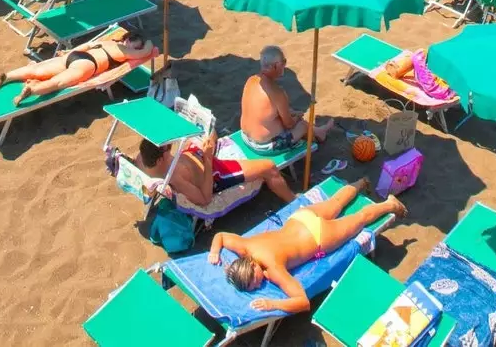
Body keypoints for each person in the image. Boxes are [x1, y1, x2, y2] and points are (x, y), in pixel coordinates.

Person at [211, 181, 405, 313]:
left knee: (359, 218)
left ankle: (390, 205)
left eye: (254, 282)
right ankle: (361, 182)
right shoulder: (245, 246)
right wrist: (213, 252)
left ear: (252, 266)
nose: (257, 286)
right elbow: (220, 236)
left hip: (319, 237)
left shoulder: (273, 268)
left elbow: (302, 302)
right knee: (335, 203)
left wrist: (272, 304)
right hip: (300, 218)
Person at [0, 31, 158, 106]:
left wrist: (68, 52)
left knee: (37, 71)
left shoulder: (108, 42)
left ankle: (8, 76)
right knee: (57, 83)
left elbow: (87, 45)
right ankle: (32, 91)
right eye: (134, 45)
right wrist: (148, 42)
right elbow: (146, 51)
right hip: (89, 64)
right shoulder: (125, 51)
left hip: (75, 55)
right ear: (129, 43)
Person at [138, 128, 296, 206]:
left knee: (210, 131)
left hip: (193, 152)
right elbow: (205, 199)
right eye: (167, 148)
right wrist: (207, 158)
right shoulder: (176, 179)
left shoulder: (142, 160)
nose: (170, 147)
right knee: (269, 167)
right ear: (159, 160)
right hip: (214, 171)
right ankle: (294, 202)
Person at [240, 46, 331, 155]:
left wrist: (291, 113)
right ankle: (320, 134)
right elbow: (289, 125)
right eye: (284, 62)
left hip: (245, 137)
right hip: (263, 146)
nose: (285, 65)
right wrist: (296, 118)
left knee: (291, 114)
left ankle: (318, 131)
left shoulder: (251, 80)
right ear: (276, 65)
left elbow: (262, 111)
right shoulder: (278, 93)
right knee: (302, 125)